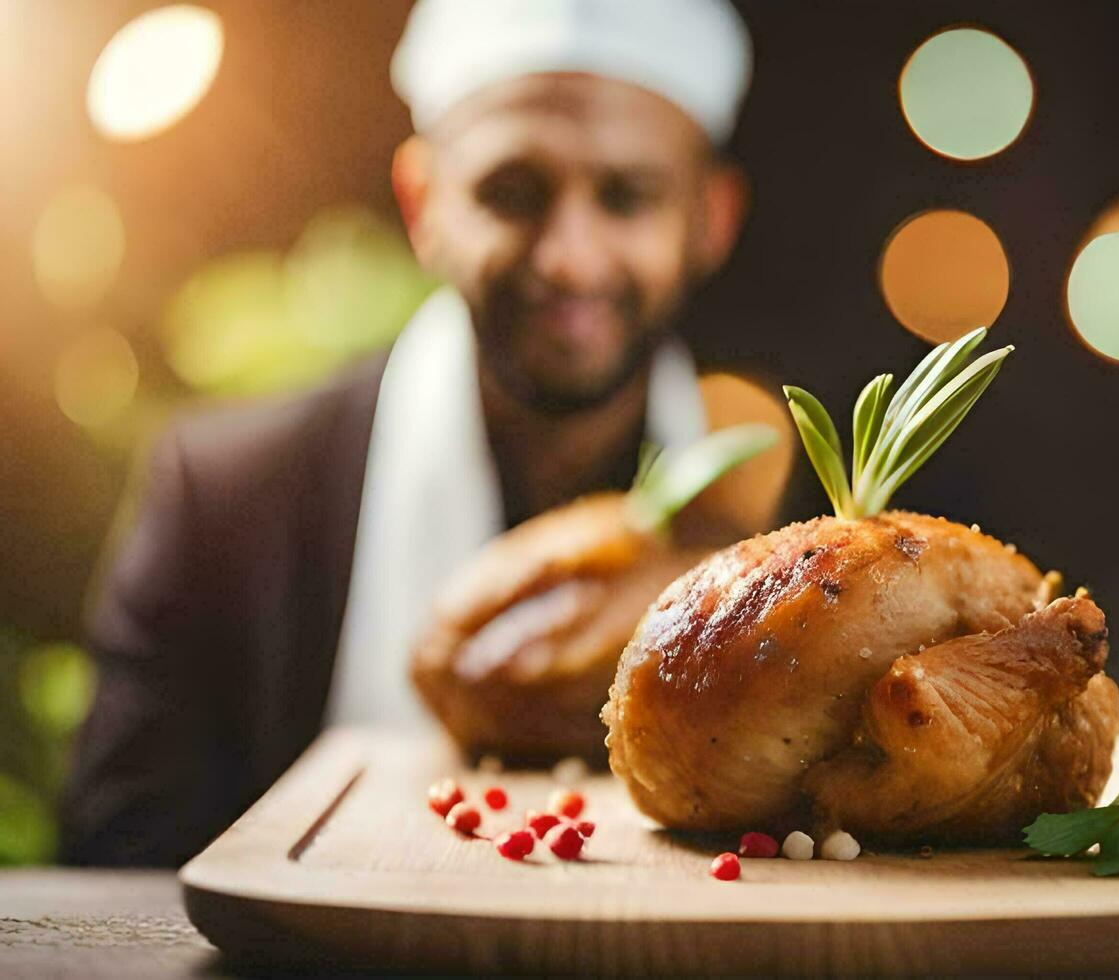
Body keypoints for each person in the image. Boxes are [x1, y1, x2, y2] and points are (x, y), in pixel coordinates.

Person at [62, 0, 753, 866]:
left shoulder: (806, 528)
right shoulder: (227, 496)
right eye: (512, 192)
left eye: (627, 195)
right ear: (423, 201)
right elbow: (113, 873)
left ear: (709, 218)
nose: (570, 256)